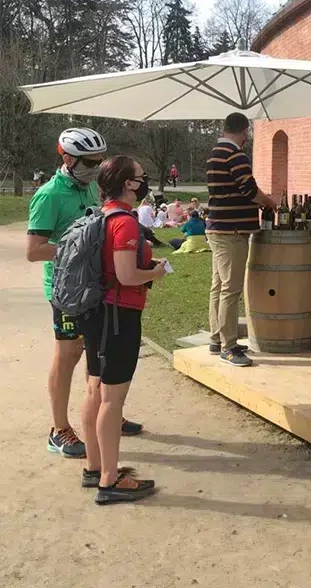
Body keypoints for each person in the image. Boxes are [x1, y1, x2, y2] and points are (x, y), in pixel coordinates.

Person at [26, 128, 143, 459]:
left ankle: (107, 411)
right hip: (67, 289)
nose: (95, 168)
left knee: (100, 351)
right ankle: (59, 429)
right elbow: (34, 250)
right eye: (89, 162)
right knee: (68, 355)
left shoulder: (93, 187)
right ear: (68, 159)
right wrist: (79, 249)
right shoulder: (49, 196)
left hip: (97, 286)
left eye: (98, 162)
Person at [80, 156, 166, 504]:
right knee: (112, 399)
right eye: (141, 177)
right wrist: (155, 273)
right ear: (128, 184)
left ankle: (94, 467)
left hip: (95, 313)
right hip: (119, 316)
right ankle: (110, 480)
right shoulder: (126, 223)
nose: (145, 181)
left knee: (94, 390)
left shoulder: (99, 215)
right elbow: (127, 276)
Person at [206, 112, 275, 365]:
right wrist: (269, 202)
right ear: (245, 131)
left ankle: (217, 338)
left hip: (217, 228)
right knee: (231, 289)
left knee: (219, 286)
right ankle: (229, 347)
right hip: (232, 231)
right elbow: (249, 189)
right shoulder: (236, 155)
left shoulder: (215, 153)